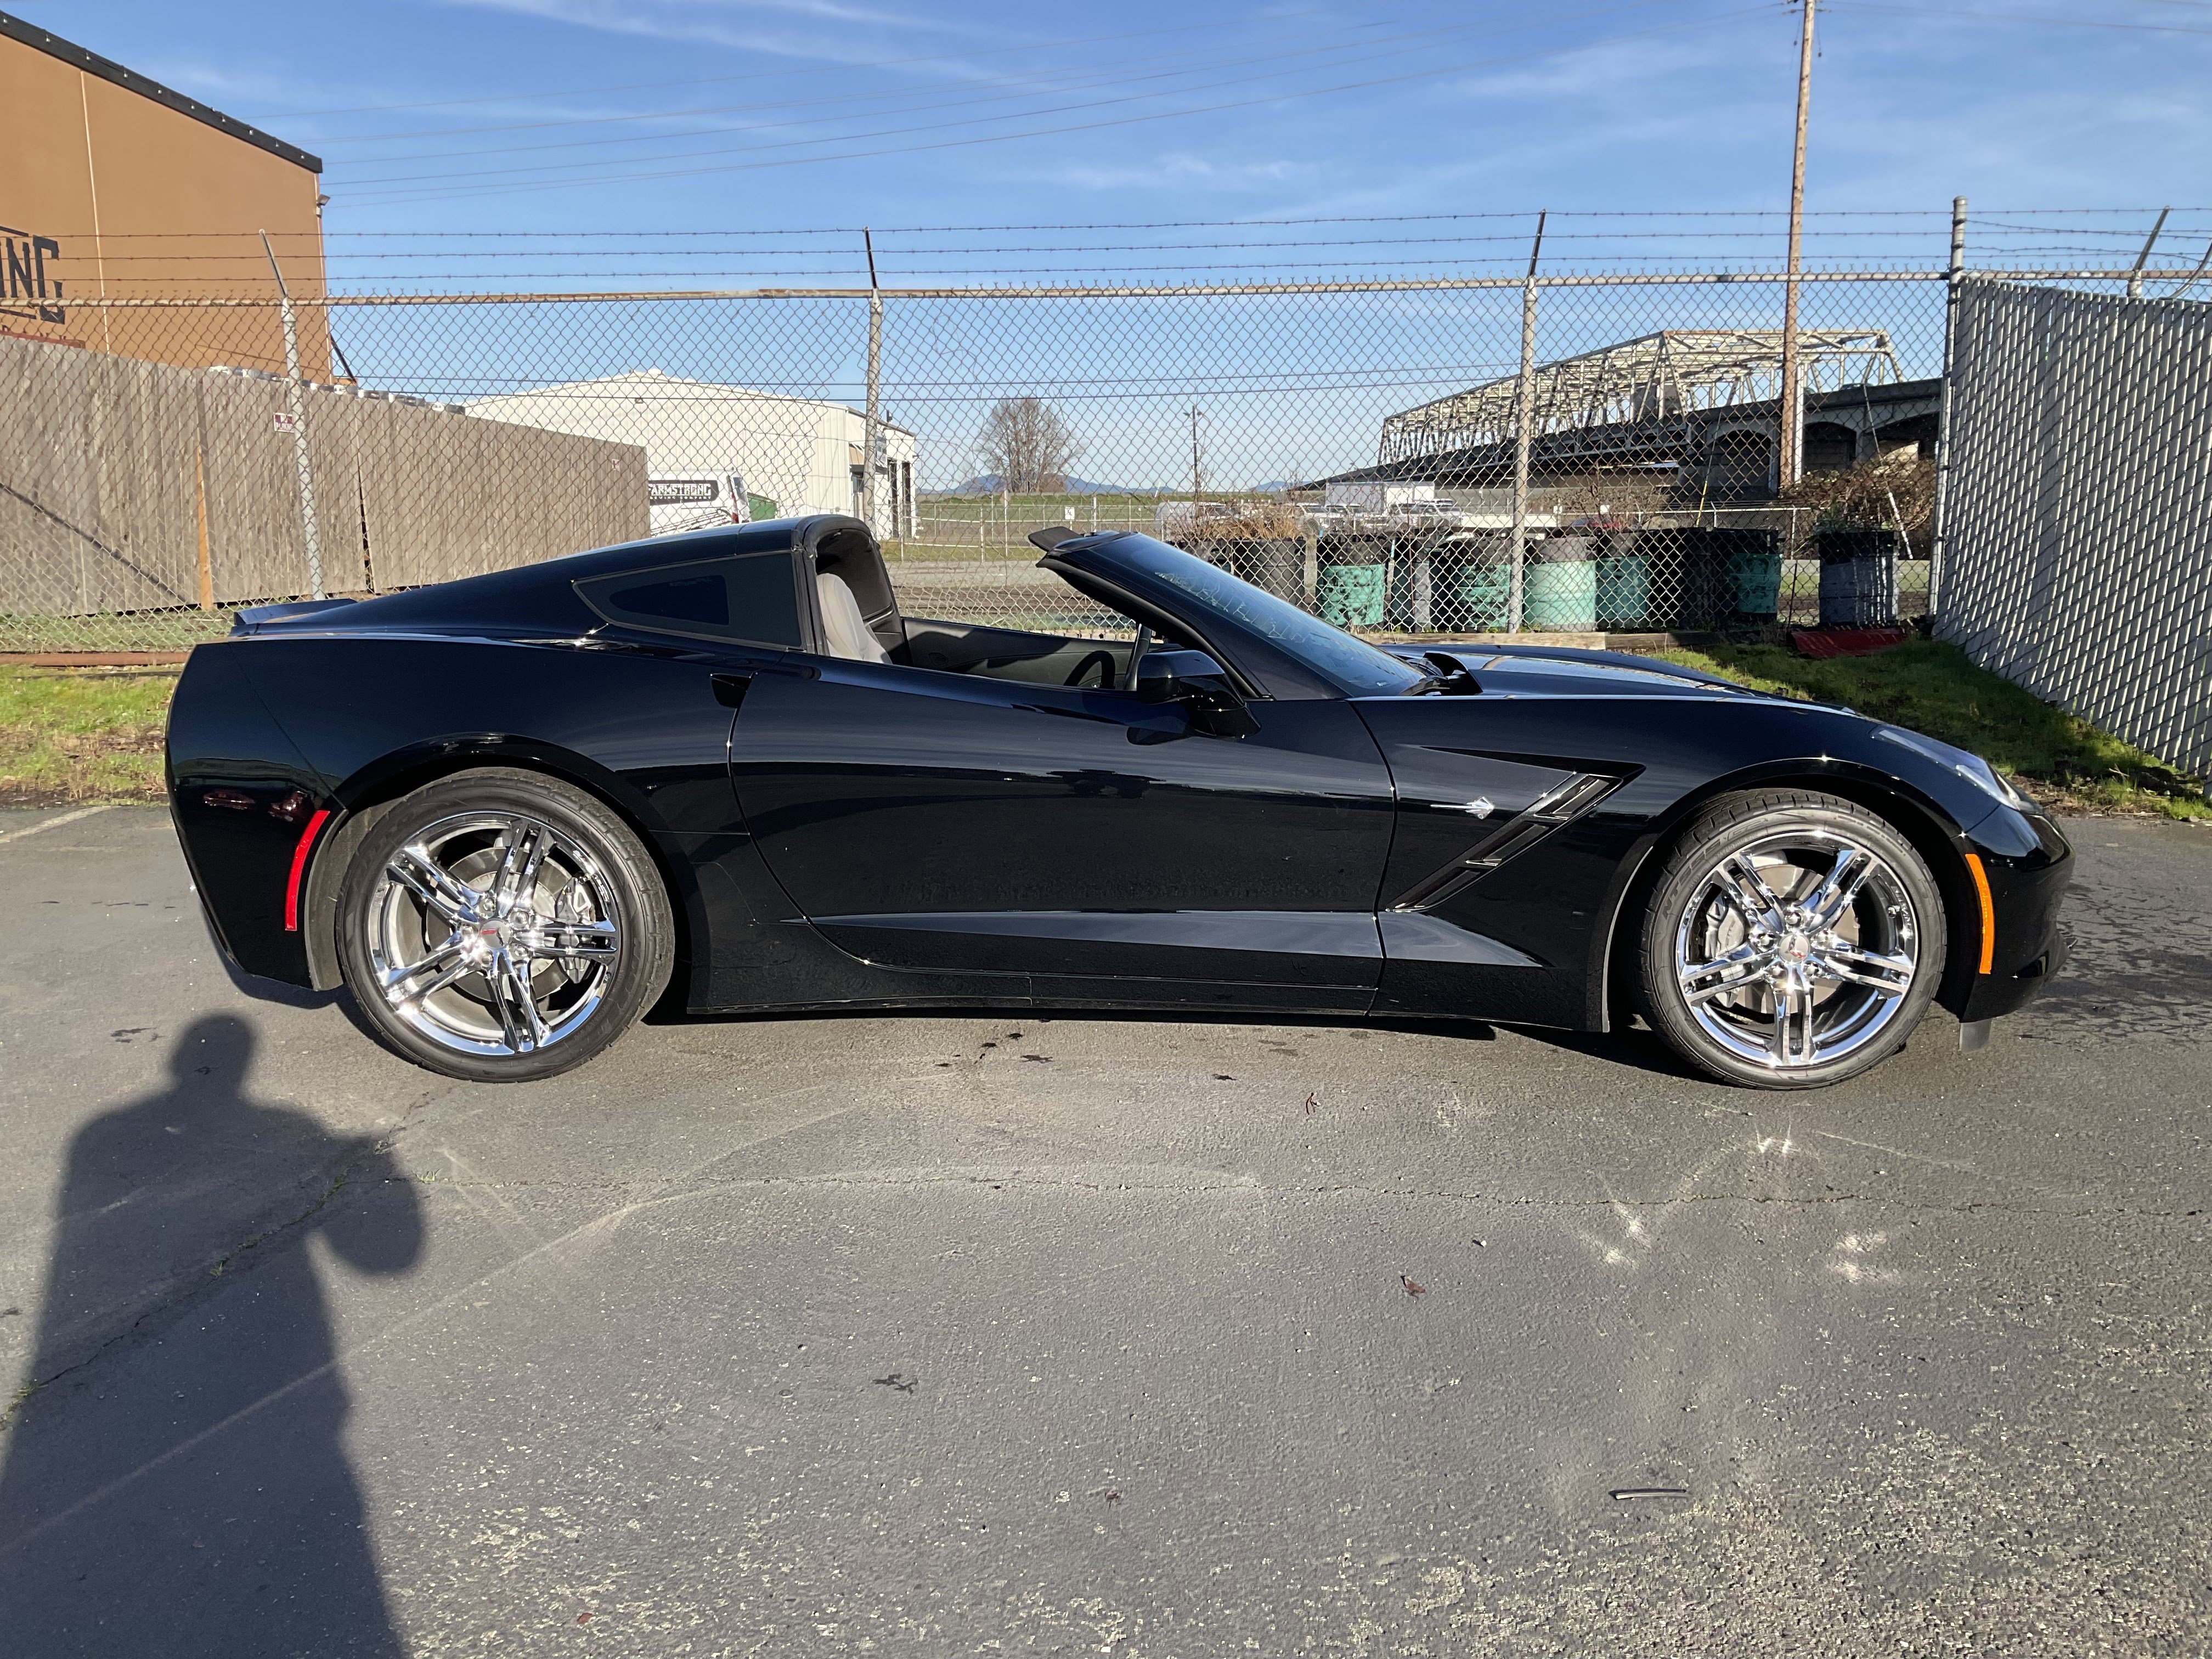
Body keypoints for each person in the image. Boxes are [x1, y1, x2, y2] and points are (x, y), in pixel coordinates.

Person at [0, 1014, 423, 1656]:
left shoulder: (102, 1133)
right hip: (304, 1410)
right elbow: (389, 1261)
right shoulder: (287, 1126)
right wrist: (387, 1170)